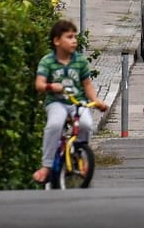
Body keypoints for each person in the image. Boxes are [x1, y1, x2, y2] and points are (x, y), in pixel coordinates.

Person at [32, 19, 105, 184]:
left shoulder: (79, 61)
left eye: (75, 37)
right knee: (54, 125)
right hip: (56, 102)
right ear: (57, 41)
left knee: (86, 124)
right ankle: (46, 165)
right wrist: (52, 86)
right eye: (69, 37)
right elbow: (39, 84)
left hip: (76, 102)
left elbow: (87, 84)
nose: (74, 41)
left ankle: (80, 153)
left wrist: (96, 101)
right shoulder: (48, 61)